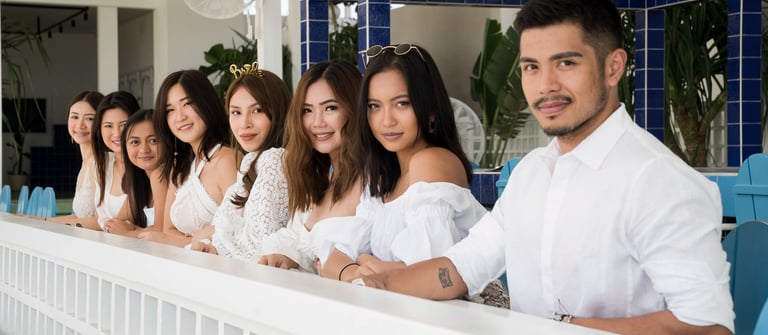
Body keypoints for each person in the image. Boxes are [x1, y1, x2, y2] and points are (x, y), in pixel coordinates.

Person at [358, 1, 734, 334]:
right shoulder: (530, 174)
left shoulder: (658, 180)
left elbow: (707, 327)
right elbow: (460, 268)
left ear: (613, 67)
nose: (545, 86)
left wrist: (561, 327)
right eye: (531, 67)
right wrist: (378, 286)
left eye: (566, 63)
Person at [316, 45, 506, 307]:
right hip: (406, 311)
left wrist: (365, 262)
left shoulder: (431, 162)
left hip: (466, 314)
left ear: (429, 108)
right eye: (374, 106)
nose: (386, 121)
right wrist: (357, 271)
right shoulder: (381, 176)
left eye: (401, 104)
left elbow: (429, 275)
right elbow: (332, 260)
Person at [256, 60, 362, 273]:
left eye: (330, 108)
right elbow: (296, 242)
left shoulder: (372, 182)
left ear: (354, 109)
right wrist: (284, 257)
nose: (317, 122)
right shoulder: (317, 178)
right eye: (307, 110)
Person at [189, 62, 291, 259]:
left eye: (257, 110)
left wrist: (213, 240)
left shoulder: (276, 159)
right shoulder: (250, 161)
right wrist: (212, 238)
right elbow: (221, 225)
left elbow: (260, 245)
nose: (244, 123)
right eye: (236, 112)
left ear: (278, 112)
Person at [140, 70, 237, 247]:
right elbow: (168, 229)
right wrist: (187, 240)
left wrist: (175, 240)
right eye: (170, 110)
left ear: (206, 103)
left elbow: (238, 232)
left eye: (188, 104)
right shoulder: (181, 167)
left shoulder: (226, 160)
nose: (180, 117)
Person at [102, 109, 169, 237]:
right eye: (135, 142)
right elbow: (115, 223)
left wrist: (129, 232)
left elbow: (161, 233)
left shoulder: (162, 175)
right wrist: (134, 230)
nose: (144, 149)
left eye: (153, 140)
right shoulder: (140, 180)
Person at [45, 90, 103, 224]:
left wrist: (45, 222)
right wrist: (41, 220)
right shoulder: (86, 163)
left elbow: (102, 221)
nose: (80, 125)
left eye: (89, 118)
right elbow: (80, 217)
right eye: (74, 117)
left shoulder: (100, 163)